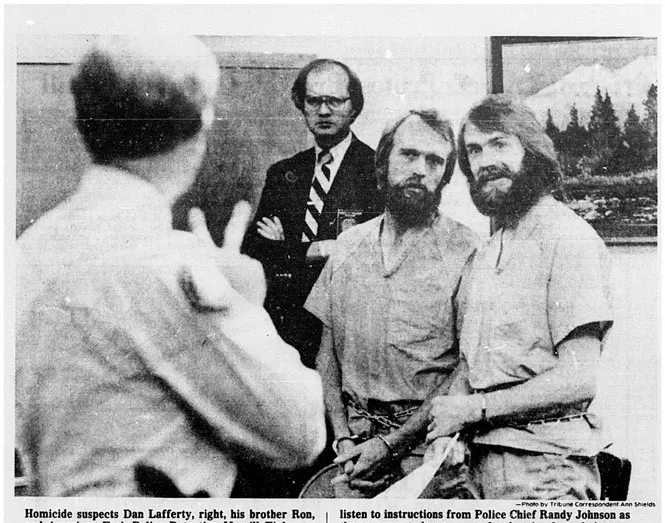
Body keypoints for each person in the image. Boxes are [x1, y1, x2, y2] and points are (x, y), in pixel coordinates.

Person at [16, 35, 326, 497]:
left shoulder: (28, 251)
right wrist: (246, 303)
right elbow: (300, 434)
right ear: (200, 129)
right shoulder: (170, 267)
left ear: (85, 124)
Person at [427, 95, 613, 500]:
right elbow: (471, 367)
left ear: (532, 151)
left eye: (499, 144)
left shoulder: (569, 238)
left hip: (548, 472)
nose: (484, 160)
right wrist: (447, 431)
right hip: (476, 471)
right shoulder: (484, 253)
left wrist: (474, 411)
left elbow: (579, 378)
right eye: (474, 150)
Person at [305, 110, 478, 497]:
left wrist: (392, 444)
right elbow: (326, 356)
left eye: (435, 161)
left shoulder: (467, 251)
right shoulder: (349, 246)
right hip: (353, 451)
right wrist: (345, 441)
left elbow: (465, 370)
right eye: (409, 155)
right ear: (383, 163)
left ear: (446, 176)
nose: (420, 169)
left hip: (428, 451)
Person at [243, 59, 383, 369]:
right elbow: (254, 250)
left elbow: (370, 256)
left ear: (355, 107)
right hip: (285, 327)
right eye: (314, 101)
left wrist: (285, 248)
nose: (323, 111)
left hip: (347, 330)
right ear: (301, 105)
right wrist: (317, 248)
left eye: (334, 100)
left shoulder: (377, 172)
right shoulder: (283, 173)